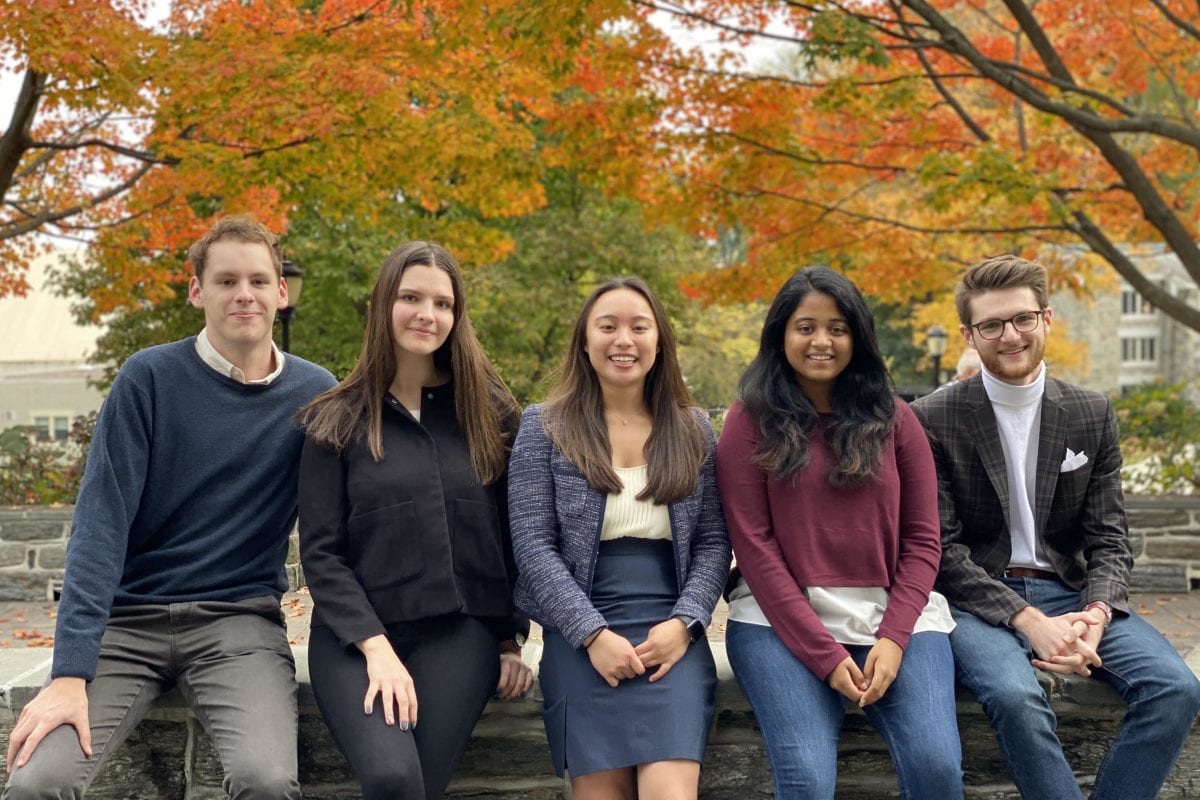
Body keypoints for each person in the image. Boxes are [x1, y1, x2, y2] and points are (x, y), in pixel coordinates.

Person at [3, 215, 337, 799]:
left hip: (238, 624)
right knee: (39, 783)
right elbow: (100, 526)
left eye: (258, 280)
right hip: (126, 624)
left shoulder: (315, 394)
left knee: (265, 780)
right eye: (226, 281)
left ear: (281, 292)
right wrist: (70, 672)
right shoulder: (148, 379)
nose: (244, 294)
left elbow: (342, 523)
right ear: (196, 291)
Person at [911, 254, 1200, 800]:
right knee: (1016, 697)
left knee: (1175, 689)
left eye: (1022, 318)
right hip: (976, 599)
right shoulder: (932, 417)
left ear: (1046, 319)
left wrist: (1097, 613)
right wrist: (1028, 621)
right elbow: (941, 549)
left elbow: (1109, 537)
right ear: (968, 335)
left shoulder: (1092, 412)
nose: (1010, 335)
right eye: (991, 325)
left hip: (1071, 590)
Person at [297, 241, 533, 800]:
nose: (427, 314)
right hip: (354, 637)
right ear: (384, 303)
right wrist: (376, 648)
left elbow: (510, 537)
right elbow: (321, 553)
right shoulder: (335, 418)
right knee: (391, 776)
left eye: (442, 303)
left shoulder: (491, 414)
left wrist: (509, 638)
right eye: (410, 298)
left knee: (415, 780)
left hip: (459, 630)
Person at [716, 267, 963, 800]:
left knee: (937, 768)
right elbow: (752, 546)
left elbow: (924, 540)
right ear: (781, 334)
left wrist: (894, 638)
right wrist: (825, 657)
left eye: (837, 328)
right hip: (777, 621)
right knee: (806, 781)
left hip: (896, 615)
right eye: (805, 327)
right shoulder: (749, 420)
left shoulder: (897, 420)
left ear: (858, 337)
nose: (821, 341)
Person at [508, 277, 731, 799]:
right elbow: (532, 545)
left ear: (659, 341)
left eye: (639, 327)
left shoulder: (694, 429)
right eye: (607, 327)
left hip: (670, 633)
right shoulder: (544, 426)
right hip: (579, 634)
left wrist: (685, 624)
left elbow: (714, 542)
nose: (623, 340)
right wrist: (591, 634)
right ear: (585, 342)